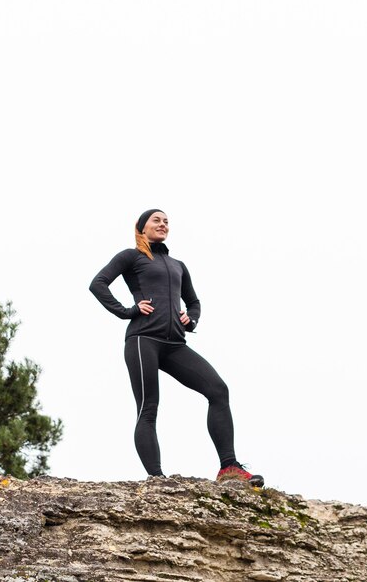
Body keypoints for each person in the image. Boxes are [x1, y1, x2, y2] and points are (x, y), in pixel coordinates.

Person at [89, 209, 264, 487]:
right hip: (142, 339)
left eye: (167, 221)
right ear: (141, 228)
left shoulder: (178, 264)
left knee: (218, 390)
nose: (163, 224)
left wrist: (190, 318)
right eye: (157, 220)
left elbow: (194, 302)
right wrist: (127, 311)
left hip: (174, 344)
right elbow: (97, 284)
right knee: (149, 407)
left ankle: (228, 466)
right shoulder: (131, 256)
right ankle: (157, 479)